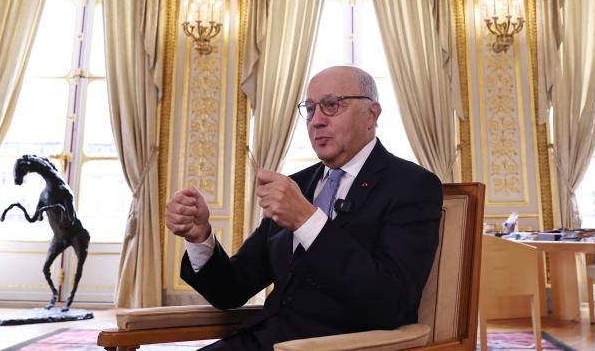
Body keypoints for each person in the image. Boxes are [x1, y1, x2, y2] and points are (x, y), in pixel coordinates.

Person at [165, 65, 443, 351]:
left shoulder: (412, 185)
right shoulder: (297, 185)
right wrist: (200, 238)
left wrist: (305, 220)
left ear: (371, 115)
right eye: (310, 109)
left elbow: (390, 304)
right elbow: (231, 291)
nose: (316, 121)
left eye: (331, 105)